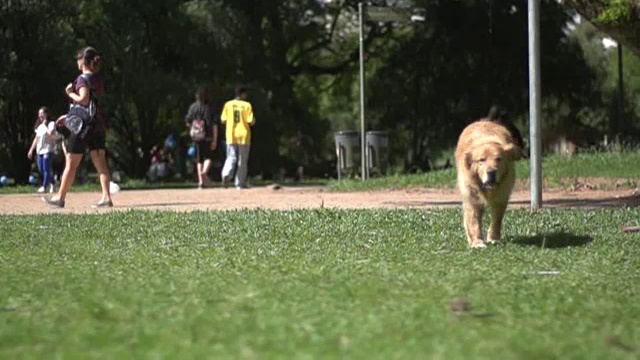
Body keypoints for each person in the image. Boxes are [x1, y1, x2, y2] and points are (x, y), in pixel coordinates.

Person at [43, 46, 113, 208]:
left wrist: (69, 93)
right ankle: (106, 197)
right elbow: (90, 107)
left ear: (83, 61)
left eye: (78, 58)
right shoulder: (97, 80)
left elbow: (83, 100)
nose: (77, 61)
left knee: (71, 162)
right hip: (97, 125)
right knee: (101, 163)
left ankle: (60, 198)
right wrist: (67, 116)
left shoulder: (82, 79)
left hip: (82, 128)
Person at [220, 85, 255, 189]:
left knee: (231, 157)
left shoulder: (228, 104)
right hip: (243, 134)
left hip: (231, 134)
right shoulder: (247, 105)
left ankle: (226, 174)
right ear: (243, 94)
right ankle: (239, 183)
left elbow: (223, 120)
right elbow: (251, 121)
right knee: (242, 160)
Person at [184, 86, 219, 188]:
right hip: (208, 135)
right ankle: (204, 172)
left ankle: (201, 182)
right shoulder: (210, 108)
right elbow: (215, 125)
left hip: (197, 136)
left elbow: (187, 121)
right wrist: (215, 139)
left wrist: (194, 128)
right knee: (208, 157)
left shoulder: (193, 107)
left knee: (199, 159)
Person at [27, 107, 57, 193]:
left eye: (42, 113)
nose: (40, 116)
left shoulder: (51, 124)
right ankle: (53, 182)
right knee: (41, 169)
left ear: (46, 114)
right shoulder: (39, 127)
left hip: (48, 149)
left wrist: (45, 125)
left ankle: (44, 186)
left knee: (46, 168)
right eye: (39, 114)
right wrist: (31, 150)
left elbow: (51, 133)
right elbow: (36, 139)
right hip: (39, 150)